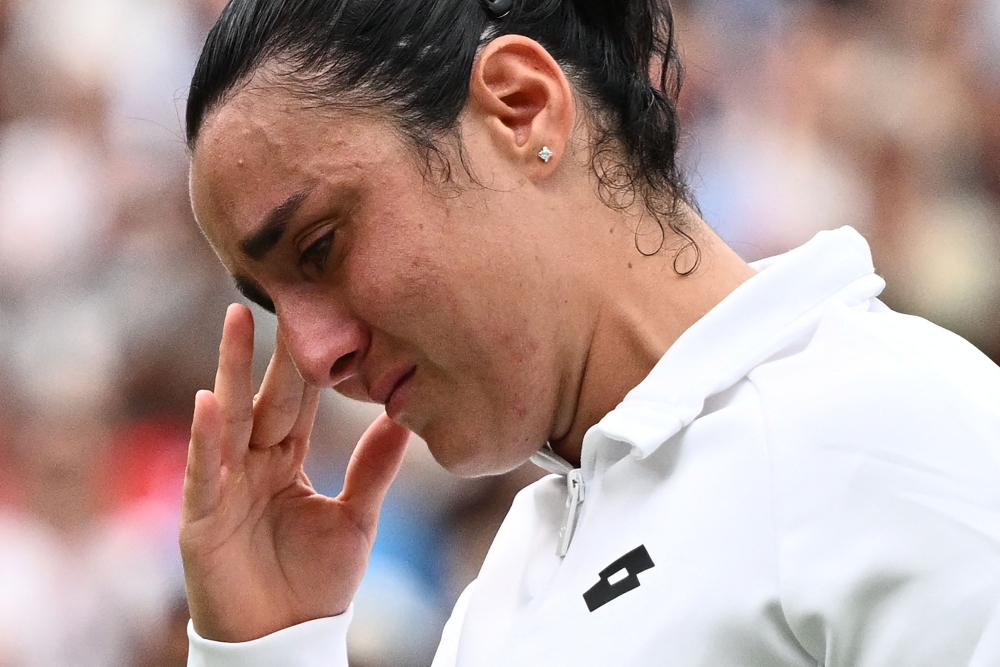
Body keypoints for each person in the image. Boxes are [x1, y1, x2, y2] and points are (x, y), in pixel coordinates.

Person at [180, 0, 1000, 664]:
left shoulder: (895, 430)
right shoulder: (504, 590)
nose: (316, 356)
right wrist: (267, 649)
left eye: (321, 246)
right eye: (273, 303)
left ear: (520, 107)